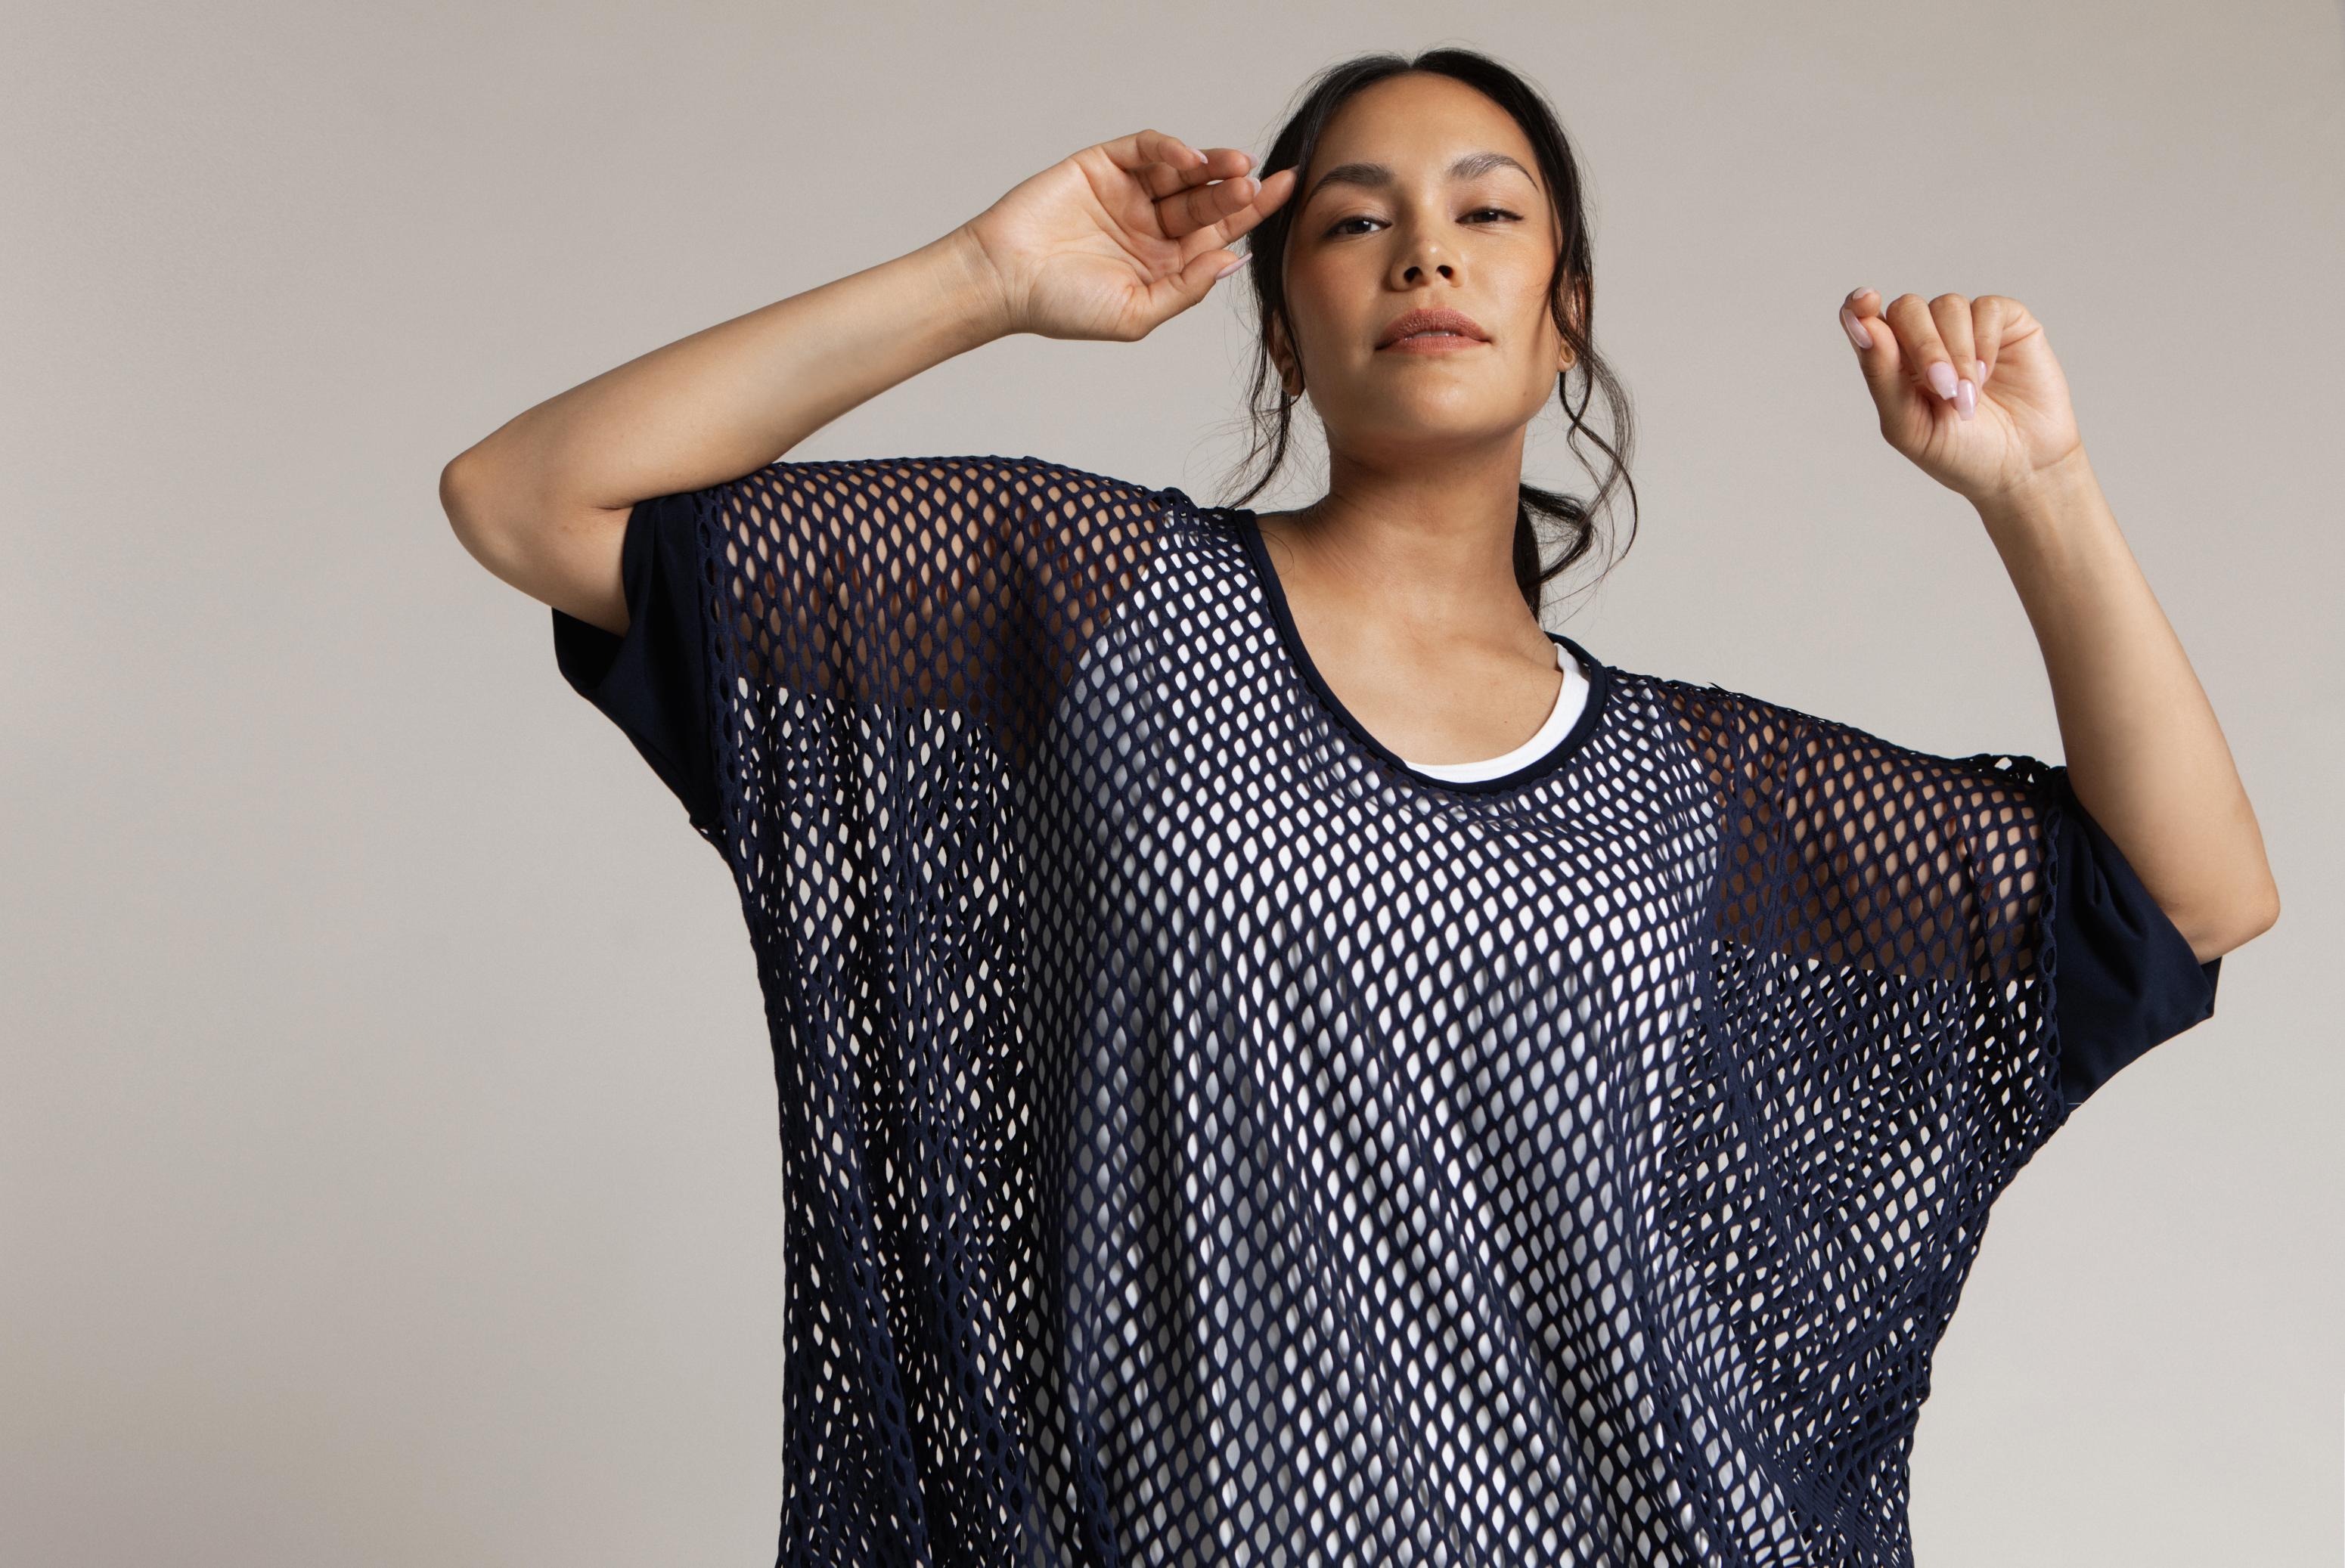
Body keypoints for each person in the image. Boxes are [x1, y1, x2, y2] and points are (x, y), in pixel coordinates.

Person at [442, 46, 2277, 1568]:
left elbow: (2192, 896)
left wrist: (2038, 486)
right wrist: (986, 279)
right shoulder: (1082, 600)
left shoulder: (1690, 789)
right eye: (1353, 220)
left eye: (1488, 213)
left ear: (1564, 320)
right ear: (1279, 325)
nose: (1424, 255)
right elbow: (530, 499)